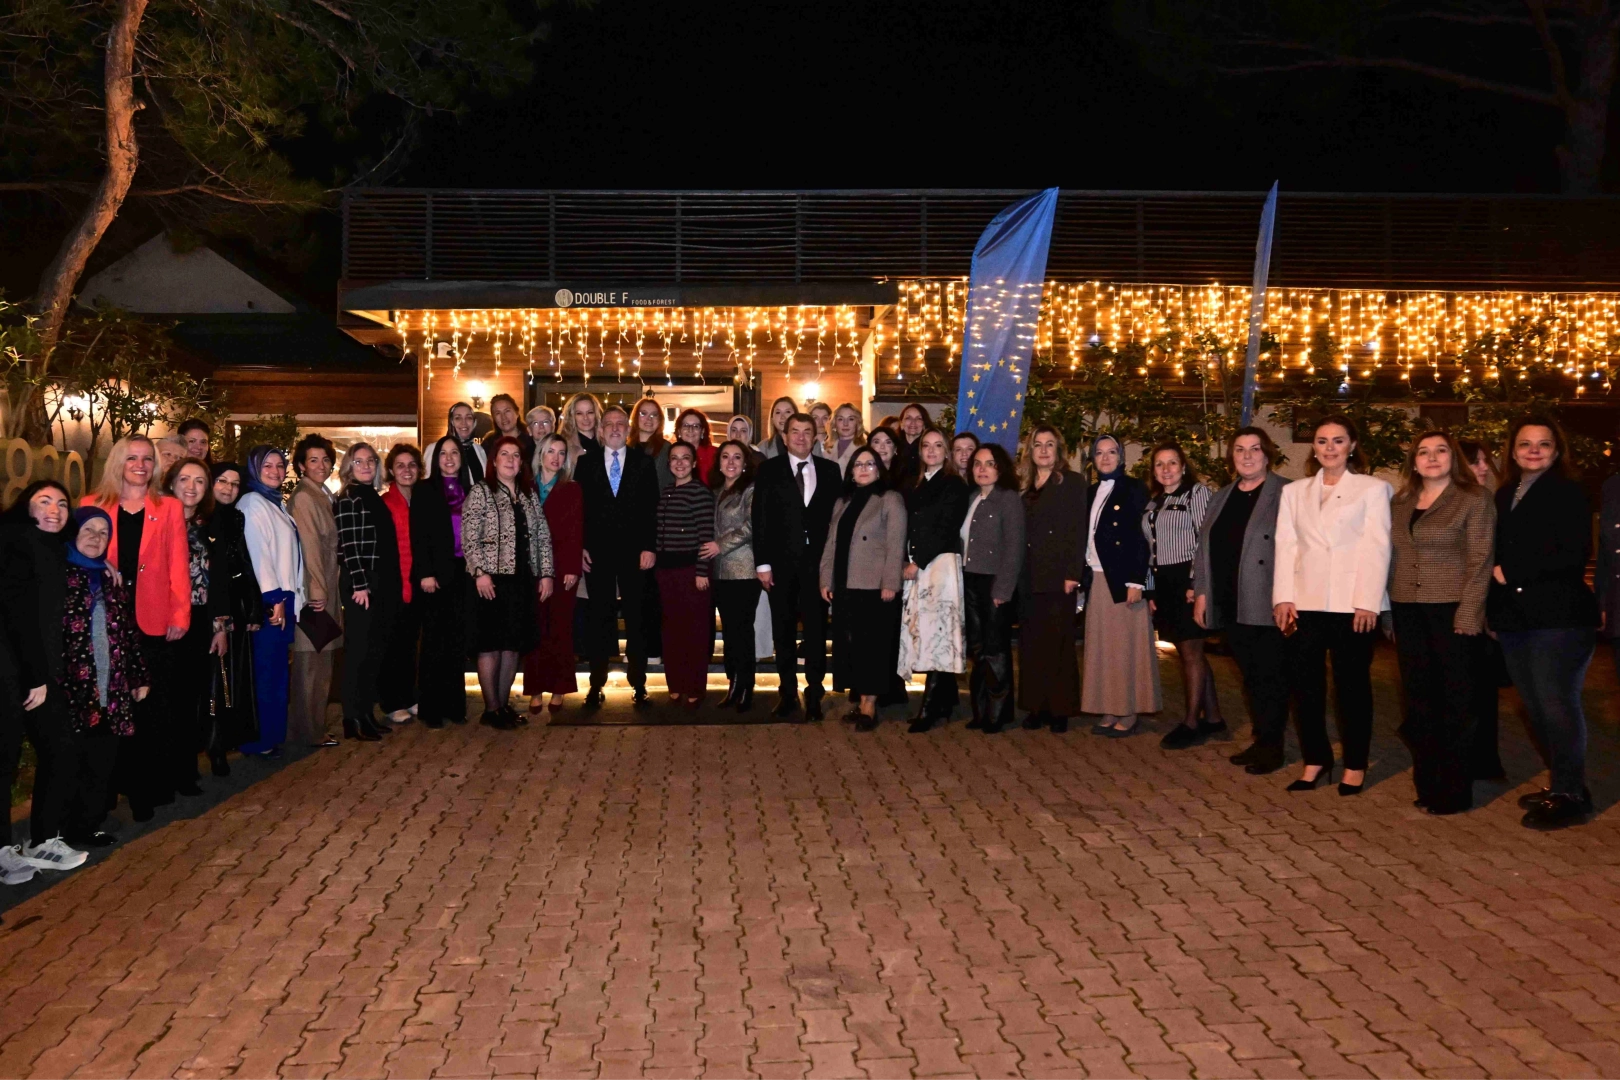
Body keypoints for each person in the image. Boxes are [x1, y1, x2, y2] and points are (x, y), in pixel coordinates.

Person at [1490, 415, 1600, 829]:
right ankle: (1564, 784)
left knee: (1557, 706)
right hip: (1516, 619)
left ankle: (1570, 796)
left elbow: (1573, 552)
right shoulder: (1505, 493)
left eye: (1543, 444)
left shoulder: (1569, 491)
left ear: (1557, 451)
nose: (1533, 451)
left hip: (1560, 619)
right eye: (1525, 444)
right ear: (1513, 451)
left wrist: (1511, 572)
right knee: (1535, 707)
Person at [1273, 414, 1392, 796]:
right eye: (1322, 441)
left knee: (1351, 688)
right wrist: (1283, 597)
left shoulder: (1374, 489)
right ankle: (1316, 760)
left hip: (1352, 604)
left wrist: (1368, 602)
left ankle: (1355, 764)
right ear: (1314, 447)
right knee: (1305, 686)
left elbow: (1377, 547)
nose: (1330, 448)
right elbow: (1286, 545)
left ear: (1352, 445)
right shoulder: (1295, 492)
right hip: (1304, 602)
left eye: (1338, 440)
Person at [1388, 430, 1495, 816]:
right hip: (1407, 609)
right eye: (1423, 452)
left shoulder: (1473, 498)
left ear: (1454, 458)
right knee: (1419, 701)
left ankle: (1453, 791)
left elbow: (1480, 559)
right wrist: (1388, 612)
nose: (1431, 457)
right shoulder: (1401, 502)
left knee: (1456, 703)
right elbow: (1392, 558)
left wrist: (1469, 613)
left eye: (1440, 450)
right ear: (1414, 462)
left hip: (1452, 611)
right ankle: (1427, 784)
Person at [84, 435, 190, 821]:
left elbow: (178, 565)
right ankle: (106, 790)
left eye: (147, 459)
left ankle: (146, 789)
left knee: (150, 709)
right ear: (118, 462)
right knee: (108, 707)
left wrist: (180, 616)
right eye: (132, 458)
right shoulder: (92, 505)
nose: (141, 465)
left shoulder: (169, 507)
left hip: (153, 619)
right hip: (105, 619)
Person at [0, 483, 91, 876]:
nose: (55, 509)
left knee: (60, 748)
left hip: (39, 672)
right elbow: (19, 614)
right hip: (14, 671)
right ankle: (4, 853)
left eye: (62, 503)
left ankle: (42, 840)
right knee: (5, 761)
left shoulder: (54, 548)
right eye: (44, 501)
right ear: (26, 507)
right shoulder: (15, 542)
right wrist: (35, 675)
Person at [1192, 428, 1290, 775]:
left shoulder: (1287, 492)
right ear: (1231, 456)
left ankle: (1273, 747)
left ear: (1267, 454)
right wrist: (1202, 591)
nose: (1247, 456)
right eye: (1239, 449)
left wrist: (1289, 597)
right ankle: (1261, 738)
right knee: (1250, 677)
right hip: (1229, 600)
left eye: (1255, 449)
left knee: (1270, 677)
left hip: (1268, 601)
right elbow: (1203, 548)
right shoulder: (1222, 496)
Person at [753, 413, 843, 721]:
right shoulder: (769, 470)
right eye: (795, 432)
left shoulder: (831, 471)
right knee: (784, 631)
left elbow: (837, 522)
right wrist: (763, 564)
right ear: (785, 436)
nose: (801, 437)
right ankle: (787, 693)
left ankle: (815, 692)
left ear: (816, 436)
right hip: (780, 566)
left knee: (816, 632)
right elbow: (760, 518)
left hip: (818, 568)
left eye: (807, 432)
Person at [463, 436, 555, 728]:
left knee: (512, 646)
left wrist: (546, 573)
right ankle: (491, 709)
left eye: (516, 455)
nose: (511, 460)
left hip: (521, 581)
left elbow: (542, 537)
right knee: (490, 646)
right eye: (505, 454)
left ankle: (502, 706)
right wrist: (480, 572)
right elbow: (469, 536)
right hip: (491, 582)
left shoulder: (528, 495)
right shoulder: (481, 491)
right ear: (494, 459)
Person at [574, 407, 659, 707]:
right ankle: (596, 684)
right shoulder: (585, 463)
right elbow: (579, 511)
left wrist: (649, 547)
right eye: (608, 424)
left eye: (620, 423)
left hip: (635, 554)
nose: (614, 428)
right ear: (600, 430)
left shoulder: (643, 462)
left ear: (627, 428)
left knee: (637, 619)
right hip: (596, 554)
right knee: (599, 619)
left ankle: (639, 683)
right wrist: (580, 546)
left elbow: (652, 508)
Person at [820, 447, 907, 730]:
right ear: (851, 471)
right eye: (859, 464)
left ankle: (870, 706)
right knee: (853, 647)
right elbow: (831, 544)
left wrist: (890, 582)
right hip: (846, 585)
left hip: (875, 586)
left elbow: (896, 544)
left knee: (873, 648)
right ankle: (860, 701)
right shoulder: (842, 502)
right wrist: (825, 579)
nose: (864, 468)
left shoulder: (889, 499)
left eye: (870, 463)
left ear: (879, 469)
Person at [1077, 434, 1159, 735]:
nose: (1105, 458)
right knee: (1102, 648)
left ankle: (1128, 710)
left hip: (1123, 580)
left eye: (1111, 452)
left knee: (1125, 649)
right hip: (1097, 578)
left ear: (1121, 457)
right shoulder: (1090, 492)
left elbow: (1142, 538)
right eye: (1099, 453)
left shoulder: (1134, 488)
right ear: (1093, 458)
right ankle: (1109, 707)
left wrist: (1138, 581)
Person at [1144, 443, 1224, 748]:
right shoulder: (1155, 501)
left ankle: (1191, 722)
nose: (1166, 469)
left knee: (1191, 652)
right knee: (1190, 651)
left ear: (1183, 466)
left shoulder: (1196, 493)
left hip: (1187, 581)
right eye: (1159, 464)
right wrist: (1151, 588)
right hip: (1164, 583)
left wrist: (1196, 583)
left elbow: (1206, 539)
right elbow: (1151, 549)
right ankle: (1214, 718)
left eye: (1172, 463)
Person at [1016, 426, 1087, 734]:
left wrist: (1073, 573)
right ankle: (1036, 707)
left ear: (1059, 450)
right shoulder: (1023, 484)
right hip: (1028, 576)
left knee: (1059, 644)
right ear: (1029, 451)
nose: (1043, 450)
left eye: (1049, 445)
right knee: (1031, 644)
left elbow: (1078, 530)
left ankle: (1060, 709)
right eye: (1037, 445)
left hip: (1059, 576)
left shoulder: (1072, 482)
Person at [236, 446, 305, 758]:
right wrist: (273, 598)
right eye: (267, 465)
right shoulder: (252, 502)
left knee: (276, 671)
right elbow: (258, 553)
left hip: (283, 597)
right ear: (254, 468)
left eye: (280, 465)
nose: (275, 471)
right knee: (264, 672)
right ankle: (258, 740)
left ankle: (272, 736)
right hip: (270, 599)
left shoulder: (274, 502)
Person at [164, 458, 228, 797]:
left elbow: (218, 583)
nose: (191, 487)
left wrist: (220, 627)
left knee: (193, 700)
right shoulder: (157, 521)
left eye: (200, 481)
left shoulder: (208, 526)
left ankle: (185, 770)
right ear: (171, 483)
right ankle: (163, 772)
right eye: (185, 479)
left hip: (200, 619)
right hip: (164, 621)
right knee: (166, 699)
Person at [900, 429, 970, 733]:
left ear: (946, 451)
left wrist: (918, 561)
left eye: (938, 445)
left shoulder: (953, 484)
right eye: (926, 446)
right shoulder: (915, 483)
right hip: (918, 564)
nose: (931, 450)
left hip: (939, 565)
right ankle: (942, 703)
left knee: (939, 634)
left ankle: (930, 709)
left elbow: (946, 527)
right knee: (926, 631)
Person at [333, 443, 402, 740]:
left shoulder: (371, 495)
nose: (365, 466)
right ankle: (352, 718)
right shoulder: (348, 497)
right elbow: (348, 545)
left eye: (370, 461)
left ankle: (365, 714)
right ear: (349, 466)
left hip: (379, 581)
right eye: (358, 461)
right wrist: (360, 584)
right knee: (358, 654)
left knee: (373, 652)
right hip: (361, 583)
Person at [285, 434, 344, 749]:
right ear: (300, 466)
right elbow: (308, 546)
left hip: (325, 587)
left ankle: (311, 728)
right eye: (313, 460)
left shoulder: (322, 493)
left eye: (325, 460)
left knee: (321, 662)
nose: (321, 465)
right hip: (313, 593)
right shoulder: (305, 498)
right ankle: (308, 731)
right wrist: (317, 591)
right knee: (311, 664)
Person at [961, 445, 1024, 733]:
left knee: (995, 649)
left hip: (995, 582)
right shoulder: (971, 497)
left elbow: (1014, 548)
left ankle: (999, 713)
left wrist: (1003, 589)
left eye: (989, 463)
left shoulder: (1008, 499)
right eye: (977, 463)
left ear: (1001, 468)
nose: (982, 469)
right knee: (977, 649)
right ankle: (980, 711)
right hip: (970, 580)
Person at [204, 462, 262, 774]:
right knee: (214, 680)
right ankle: (211, 745)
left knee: (228, 679)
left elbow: (243, 563)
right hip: (207, 609)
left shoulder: (236, 517)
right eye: (222, 481)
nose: (228, 488)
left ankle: (222, 743)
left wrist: (252, 607)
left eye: (235, 483)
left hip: (233, 608)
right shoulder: (200, 519)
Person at [411, 437, 472, 728]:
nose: (449, 458)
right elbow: (418, 533)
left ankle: (454, 705)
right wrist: (425, 572)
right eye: (443, 453)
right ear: (435, 459)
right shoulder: (425, 489)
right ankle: (431, 709)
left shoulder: (470, 489)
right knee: (434, 642)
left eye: (454, 453)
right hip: (434, 575)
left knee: (457, 641)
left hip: (463, 573)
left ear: (461, 458)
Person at [1458, 438, 1508, 782]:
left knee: (1482, 691)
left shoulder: (1491, 501)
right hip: (1449, 606)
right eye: (1475, 461)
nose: (1484, 467)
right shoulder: (1442, 502)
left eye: (1485, 461)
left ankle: (1483, 761)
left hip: (1485, 609)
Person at [524, 434, 583, 716]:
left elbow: (576, 529)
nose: (556, 458)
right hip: (531, 569)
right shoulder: (526, 487)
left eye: (561, 453)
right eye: (551, 451)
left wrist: (572, 567)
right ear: (540, 454)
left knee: (560, 629)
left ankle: (559, 688)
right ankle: (535, 689)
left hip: (562, 568)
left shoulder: (571, 488)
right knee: (535, 629)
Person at [655, 441, 717, 707]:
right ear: (669, 463)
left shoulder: (700, 492)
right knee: (672, 630)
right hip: (666, 571)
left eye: (685, 458)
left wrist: (702, 571)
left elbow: (706, 535)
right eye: (674, 458)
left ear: (693, 463)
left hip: (692, 571)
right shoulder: (667, 491)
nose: (679, 463)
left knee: (695, 631)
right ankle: (676, 683)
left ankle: (694, 686)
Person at [704, 440, 760, 711]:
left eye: (737, 457)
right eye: (725, 456)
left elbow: (751, 526)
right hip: (719, 572)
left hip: (744, 571)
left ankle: (746, 686)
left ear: (745, 463)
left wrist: (720, 545)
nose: (731, 462)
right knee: (729, 632)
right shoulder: (715, 491)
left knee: (742, 632)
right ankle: (733, 683)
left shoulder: (751, 490)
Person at [378, 445, 422, 724]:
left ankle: (408, 695)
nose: (407, 470)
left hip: (417, 583)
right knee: (392, 646)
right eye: (400, 465)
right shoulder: (385, 503)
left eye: (412, 465)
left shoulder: (421, 500)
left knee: (409, 644)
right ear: (391, 471)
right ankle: (392, 702)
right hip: (392, 584)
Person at [439, 402, 489, 490]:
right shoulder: (437, 449)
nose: (464, 423)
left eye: (468, 418)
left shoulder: (480, 450)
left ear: (474, 422)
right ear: (451, 422)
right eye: (458, 418)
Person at [631, 397, 673, 489]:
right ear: (635, 417)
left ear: (660, 419)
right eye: (643, 413)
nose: (649, 418)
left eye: (654, 415)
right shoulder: (626, 447)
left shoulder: (667, 448)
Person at [483, 393, 534, 463]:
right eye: (498, 413)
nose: (503, 417)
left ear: (517, 413)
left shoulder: (531, 442)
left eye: (507, 411)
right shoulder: (488, 443)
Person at [893, 403, 930, 486]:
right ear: (901, 424)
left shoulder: (929, 450)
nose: (913, 422)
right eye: (908, 418)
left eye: (919, 418)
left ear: (924, 425)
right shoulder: (893, 448)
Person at [560, 391, 604, 461]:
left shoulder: (606, 442)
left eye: (590, 412)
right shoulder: (564, 445)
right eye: (579, 413)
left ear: (596, 414)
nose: (585, 418)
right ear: (572, 416)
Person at [675, 409, 717, 479]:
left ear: (702, 431)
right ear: (679, 431)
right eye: (686, 425)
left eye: (696, 426)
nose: (690, 430)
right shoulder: (671, 455)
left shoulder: (715, 454)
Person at [824, 403, 865, 474]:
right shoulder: (827, 450)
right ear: (834, 423)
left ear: (858, 423)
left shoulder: (864, 450)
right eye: (840, 419)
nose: (845, 424)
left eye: (851, 419)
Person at [527, 406, 558, 473]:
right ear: (529, 430)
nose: (541, 426)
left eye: (545, 422)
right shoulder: (524, 455)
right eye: (535, 423)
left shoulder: (562, 451)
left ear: (553, 427)